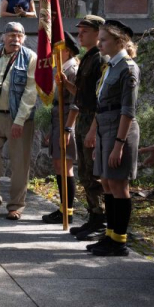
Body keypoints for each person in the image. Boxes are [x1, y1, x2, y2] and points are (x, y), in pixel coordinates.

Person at [84, 20, 140, 257]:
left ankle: (119, 240)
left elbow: (128, 110)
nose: (100, 43)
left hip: (120, 129)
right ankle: (110, 235)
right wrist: (96, 134)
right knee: (107, 181)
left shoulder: (128, 68)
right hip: (105, 127)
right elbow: (101, 103)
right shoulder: (110, 66)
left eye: (104, 39)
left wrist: (119, 144)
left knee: (119, 184)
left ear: (119, 41)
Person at [55, 15, 107, 239]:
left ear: (98, 33)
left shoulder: (100, 60)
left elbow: (99, 99)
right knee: (86, 172)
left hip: (93, 120)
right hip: (84, 119)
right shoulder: (87, 58)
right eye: (80, 30)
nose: (80, 35)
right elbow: (82, 94)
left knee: (94, 173)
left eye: (85, 31)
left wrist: (94, 129)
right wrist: (66, 85)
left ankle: (101, 218)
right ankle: (92, 215)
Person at [0, 22, 38, 221]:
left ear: (24, 38)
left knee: (19, 164)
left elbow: (31, 92)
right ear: (3, 37)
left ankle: (16, 205)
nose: (15, 39)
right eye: (11, 35)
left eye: (19, 36)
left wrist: (19, 120)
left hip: (18, 119)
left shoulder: (30, 57)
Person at [43, 33, 80, 225]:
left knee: (65, 166)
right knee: (59, 165)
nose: (53, 53)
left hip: (67, 119)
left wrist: (67, 128)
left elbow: (76, 102)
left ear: (67, 51)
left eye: (57, 49)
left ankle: (68, 210)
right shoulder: (62, 68)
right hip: (60, 117)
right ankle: (63, 208)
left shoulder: (72, 70)